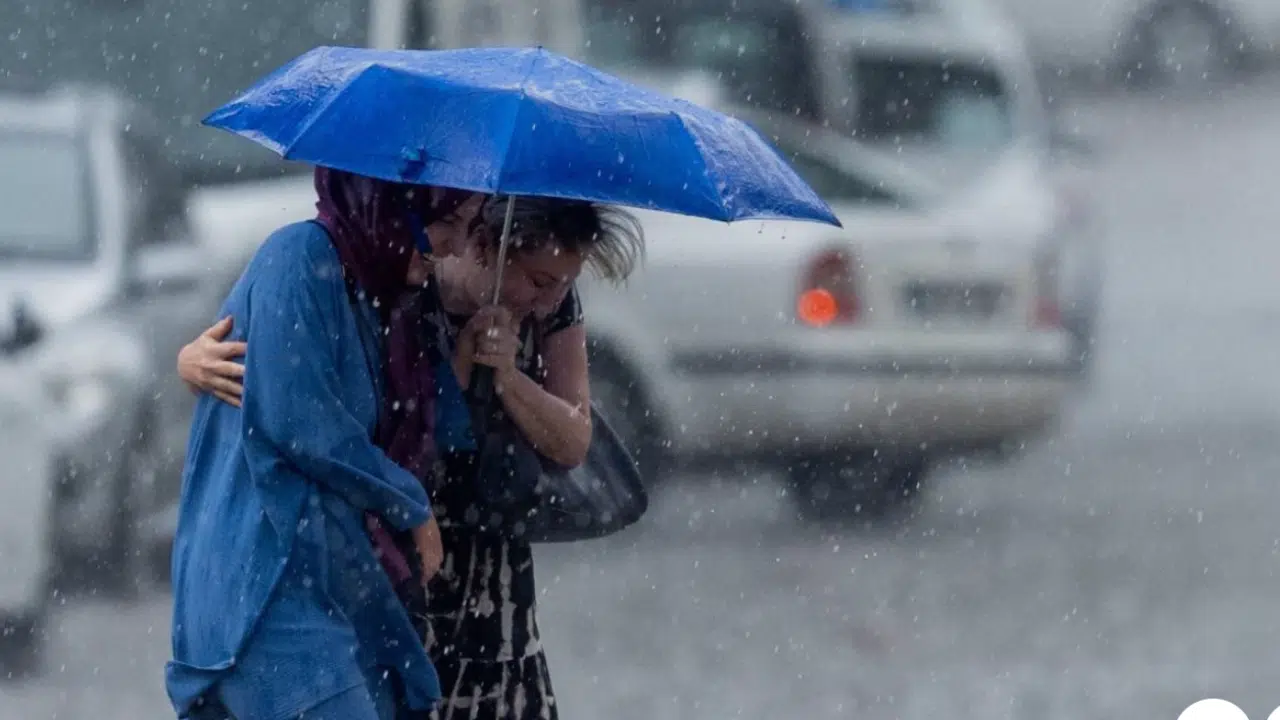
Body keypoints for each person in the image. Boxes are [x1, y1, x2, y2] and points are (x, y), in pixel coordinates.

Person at [178, 194, 644, 719]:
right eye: (539, 281)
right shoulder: (409, 271)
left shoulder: (552, 307)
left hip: (488, 551)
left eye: (564, 284)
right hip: (399, 541)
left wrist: (509, 378)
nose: (550, 300)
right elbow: (306, 389)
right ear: (489, 246)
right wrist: (190, 363)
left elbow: (574, 439)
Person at [166, 166, 486, 720]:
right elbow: (302, 421)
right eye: (449, 222)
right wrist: (407, 502)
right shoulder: (298, 258)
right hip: (264, 590)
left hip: (332, 586)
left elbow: (424, 426)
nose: (456, 246)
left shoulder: (380, 293)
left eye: (469, 227)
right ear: (393, 205)